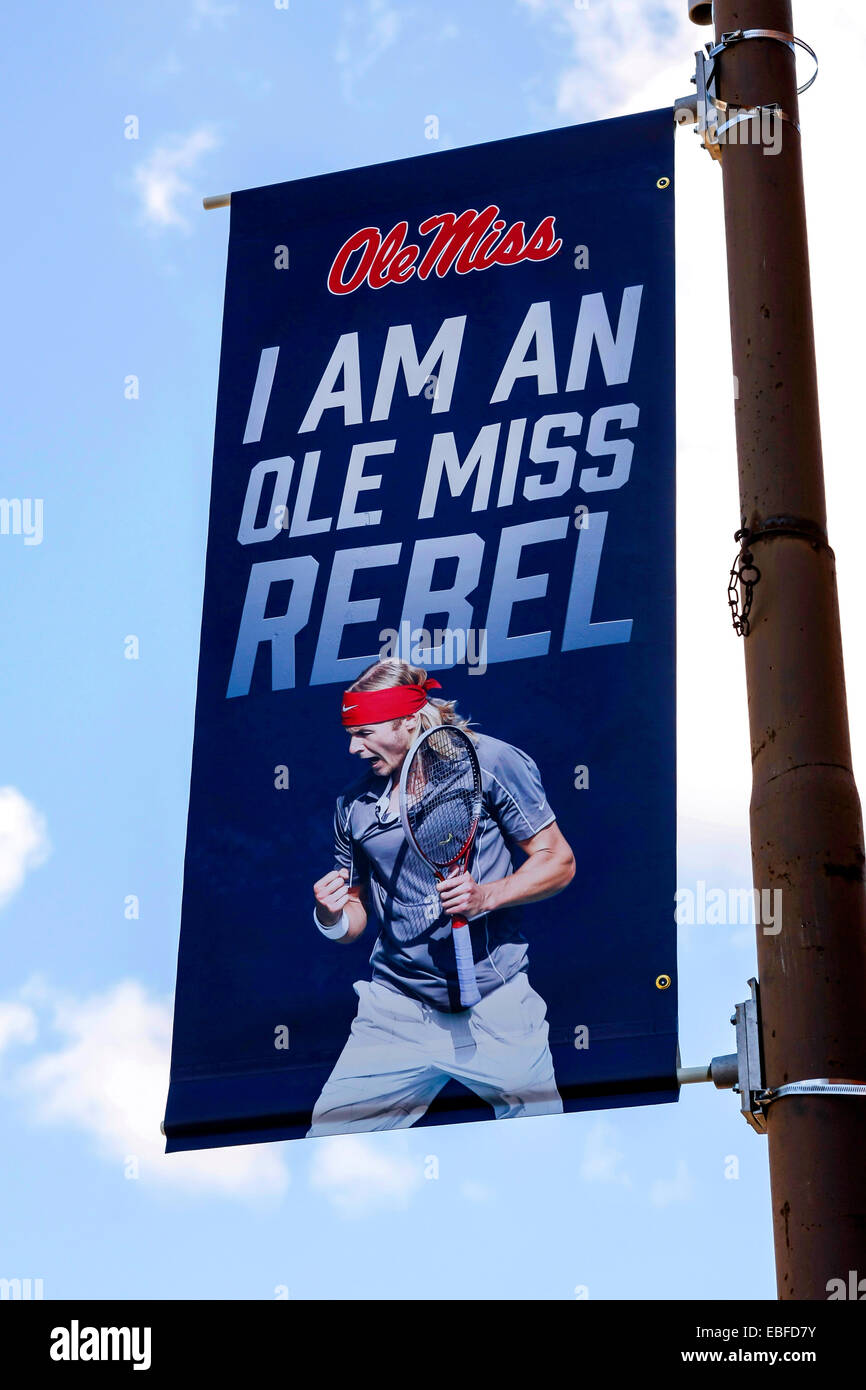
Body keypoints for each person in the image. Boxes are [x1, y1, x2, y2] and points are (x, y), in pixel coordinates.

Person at [308, 658, 575, 1135]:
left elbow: (558, 860)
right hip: (395, 1009)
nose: (352, 747)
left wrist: (487, 896)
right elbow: (353, 919)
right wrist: (329, 914)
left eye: (364, 732)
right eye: (350, 733)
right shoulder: (352, 807)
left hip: (496, 1003)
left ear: (408, 721)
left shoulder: (490, 761)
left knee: (541, 1145)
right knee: (328, 1143)